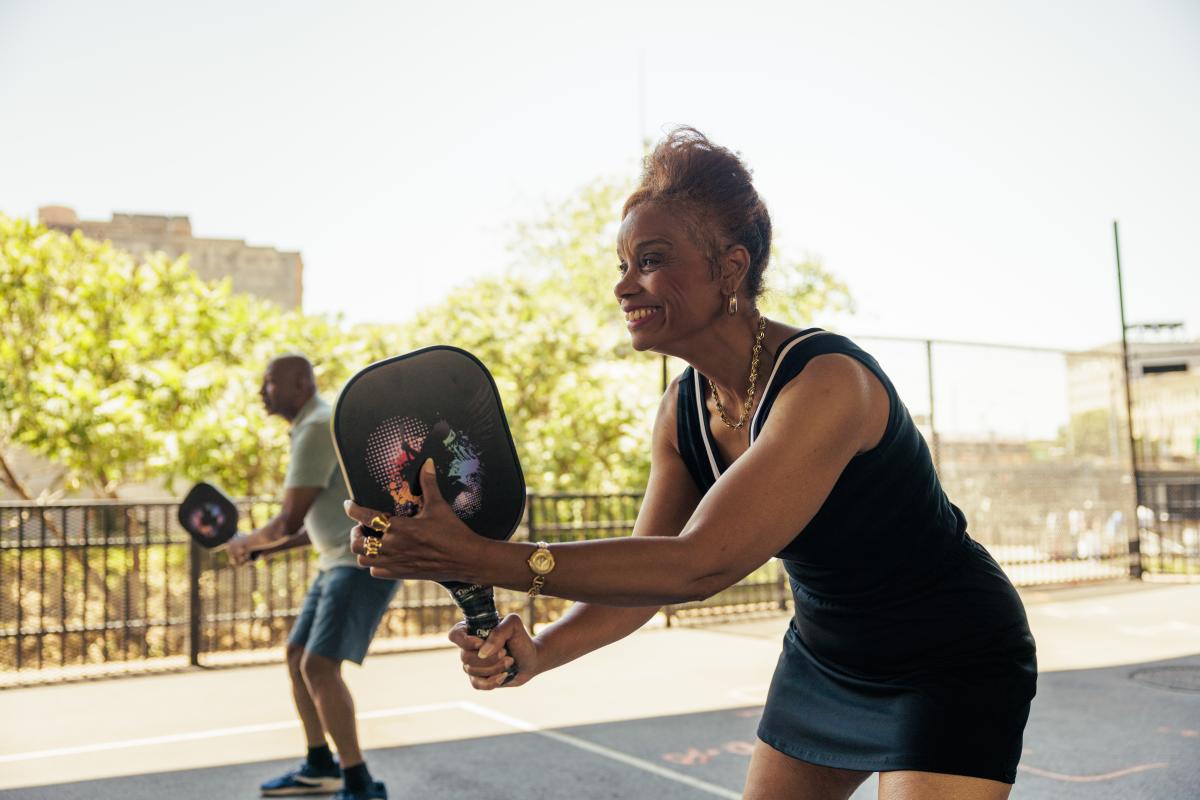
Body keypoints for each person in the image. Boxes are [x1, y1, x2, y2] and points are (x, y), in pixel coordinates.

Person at [344, 129, 1038, 800]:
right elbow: (652, 573)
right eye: (621, 265)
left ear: (729, 268)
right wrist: (542, 649)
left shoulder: (828, 384)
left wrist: (484, 558)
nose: (624, 286)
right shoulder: (682, 413)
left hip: (952, 655)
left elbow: (698, 565)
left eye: (650, 259)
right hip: (828, 658)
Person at [229, 354, 396, 800]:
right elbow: (313, 526)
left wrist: (247, 542)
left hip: (357, 561)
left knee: (318, 666)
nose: (262, 391)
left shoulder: (315, 426)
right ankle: (320, 763)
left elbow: (287, 519)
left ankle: (358, 781)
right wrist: (266, 551)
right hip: (336, 557)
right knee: (297, 654)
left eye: (269, 383)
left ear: (300, 383)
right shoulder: (316, 422)